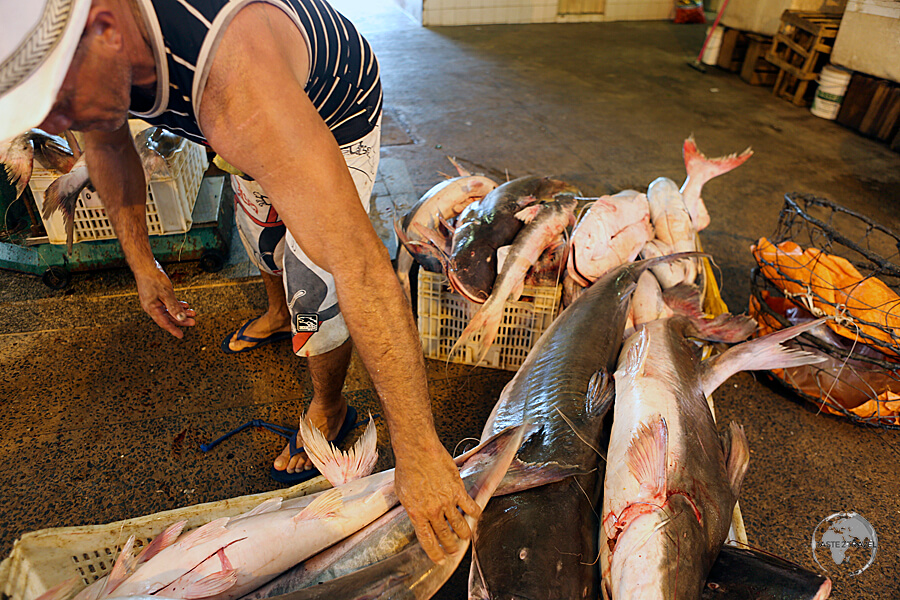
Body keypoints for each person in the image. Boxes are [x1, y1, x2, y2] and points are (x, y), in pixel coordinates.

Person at [0, 0, 479, 562]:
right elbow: (108, 144)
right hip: (243, 123)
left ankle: (329, 407)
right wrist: (142, 265)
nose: (56, 127)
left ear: (105, 31)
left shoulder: (234, 83)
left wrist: (419, 451)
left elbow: (364, 268)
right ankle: (277, 315)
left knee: (315, 280)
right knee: (261, 239)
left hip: (333, 109)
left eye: (55, 105)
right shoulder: (88, 53)